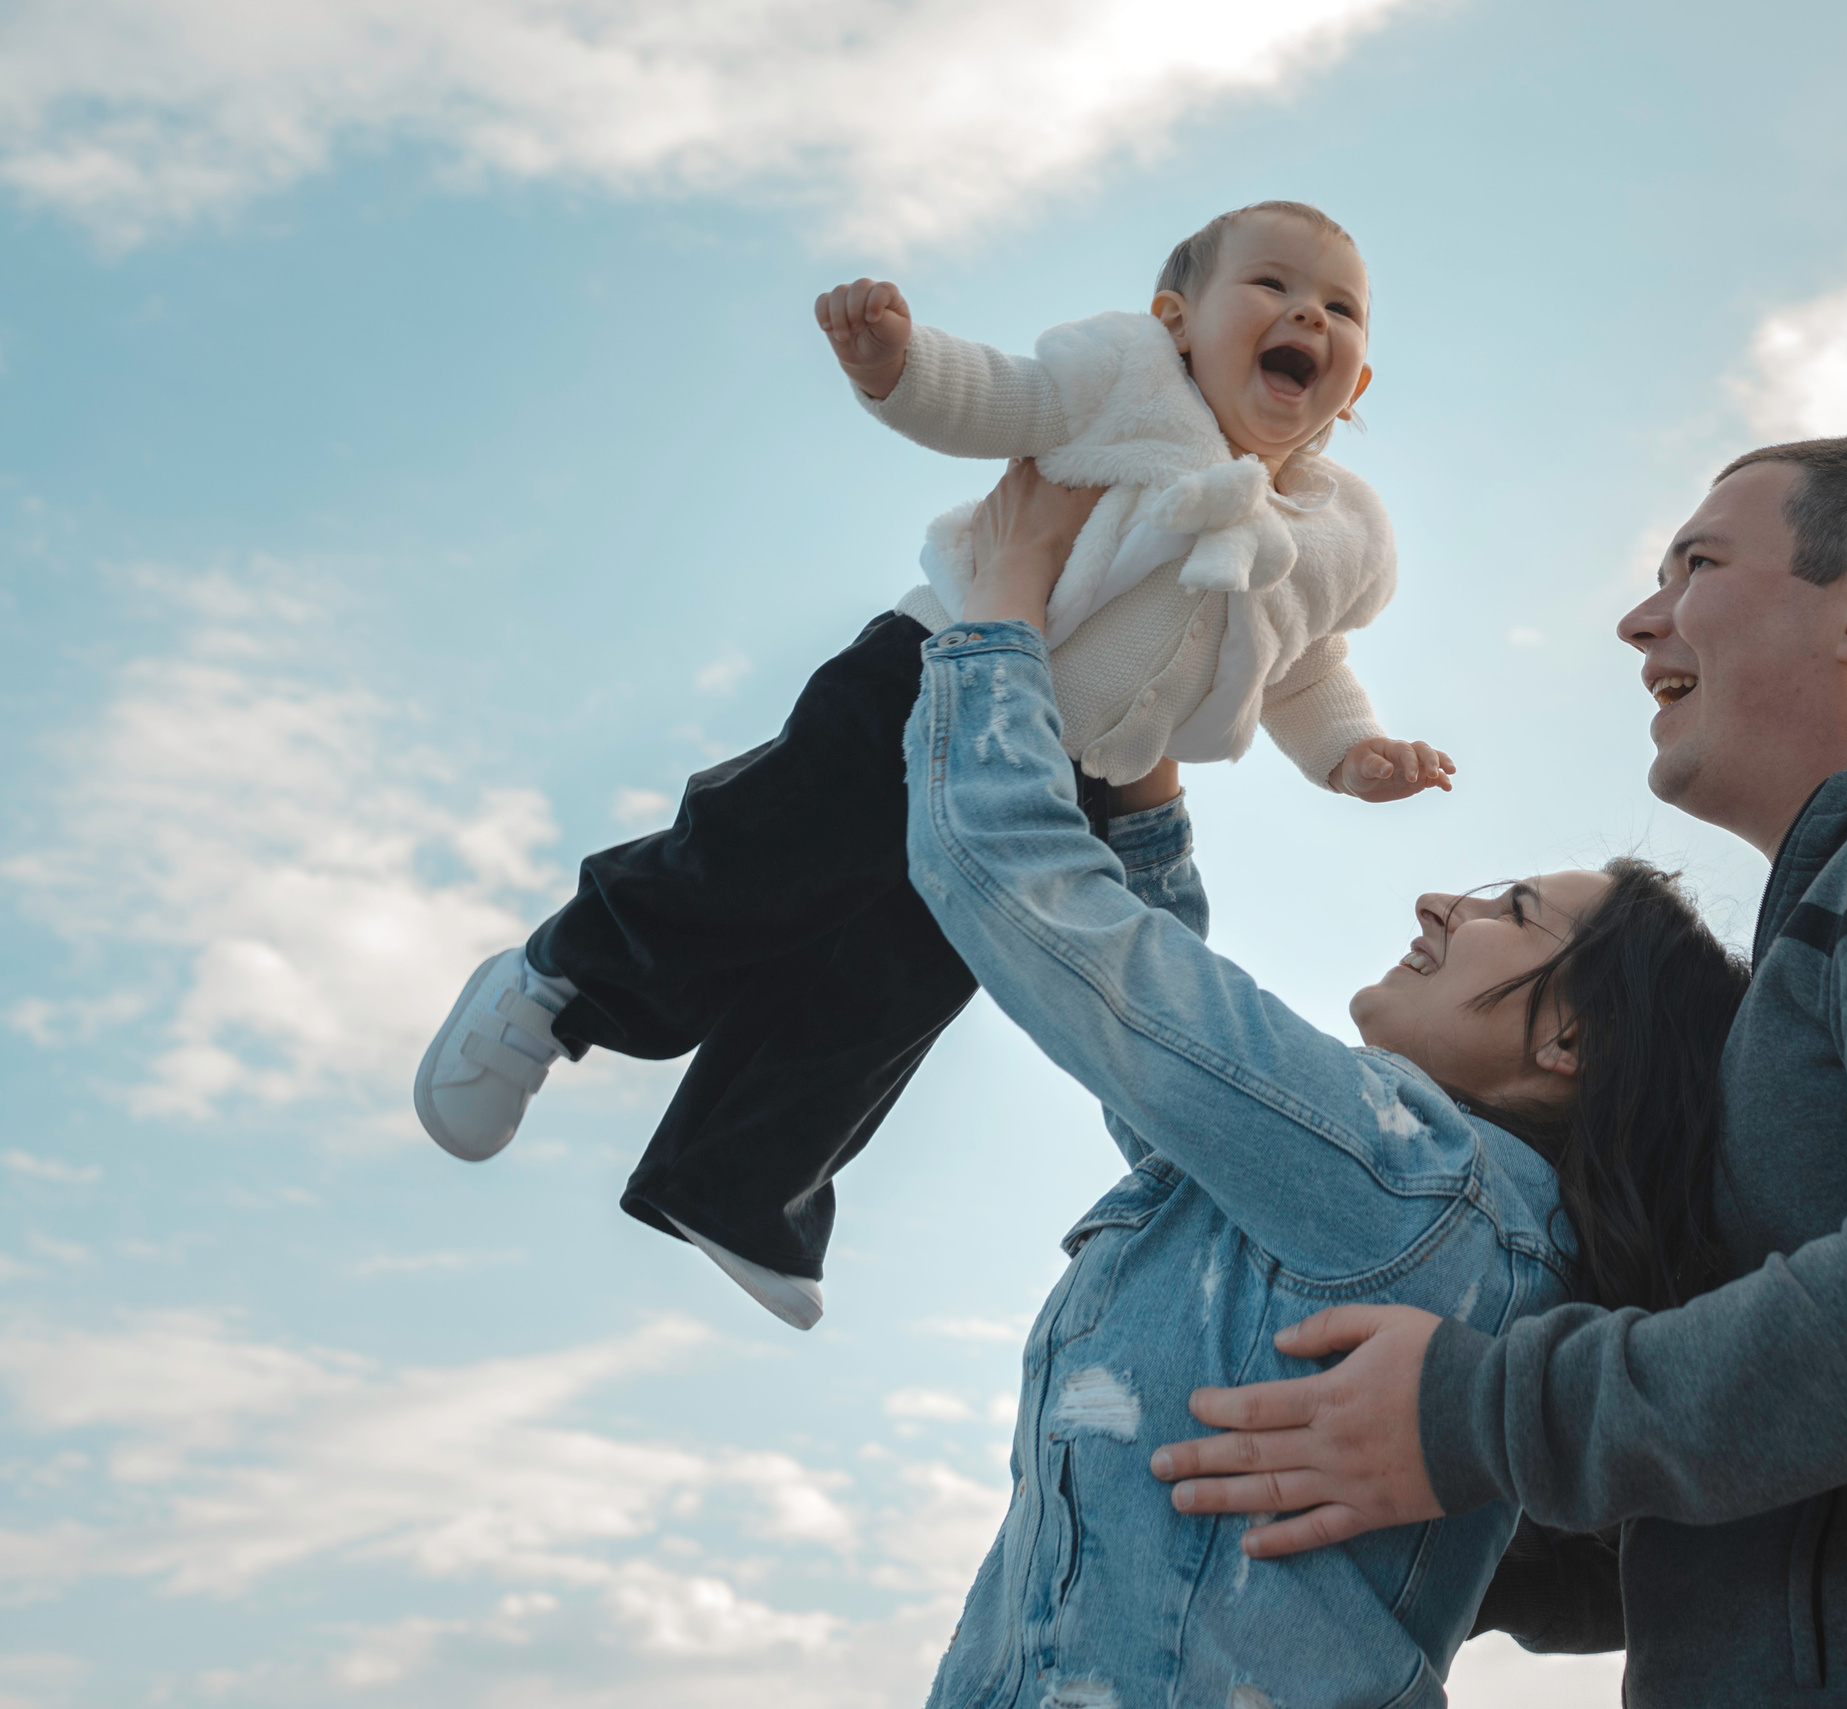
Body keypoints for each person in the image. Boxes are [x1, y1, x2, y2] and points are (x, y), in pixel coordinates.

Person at [1149, 438, 1847, 1707]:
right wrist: (1430, 1517)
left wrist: (1478, 1417)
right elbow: (1772, 1481)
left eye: (1696, 565)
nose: (1642, 619)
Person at [410, 201, 1453, 1329]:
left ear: (1353, 386)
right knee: (763, 863)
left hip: (1063, 784)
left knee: (901, 979)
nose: (1308, 311)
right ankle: (557, 980)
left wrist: (1353, 753)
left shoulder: (1344, 533)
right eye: (1270, 285)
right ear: (1176, 323)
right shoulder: (1122, 379)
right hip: (923, 676)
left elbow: (1304, 666)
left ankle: (741, 1180)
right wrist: (895, 364)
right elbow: (998, 396)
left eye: (1339, 307)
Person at [895, 461, 1752, 1708]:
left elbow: (1021, 890)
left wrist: (1000, 613)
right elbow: (1170, 1066)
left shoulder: (1416, 1180)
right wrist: (1146, 782)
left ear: (1572, 1043)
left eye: (1509, 909)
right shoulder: (1380, 1202)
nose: (1439, 899)